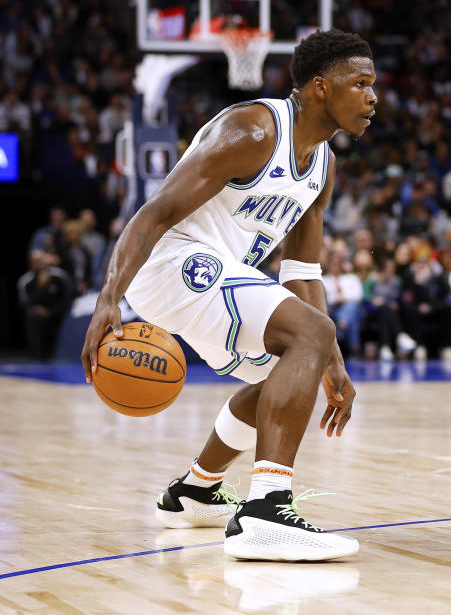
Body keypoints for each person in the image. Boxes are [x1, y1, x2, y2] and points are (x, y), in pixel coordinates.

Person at [80, 29, 378, 562]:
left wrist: (329, 361)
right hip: (173, 262)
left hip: (218, 272)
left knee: (286, 374)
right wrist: (109, 298)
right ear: (319, 89)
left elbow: (304, 270)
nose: (373, 97)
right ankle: (265, 511)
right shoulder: (252, 130)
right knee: (309, 335)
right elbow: (155, 214)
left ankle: (193, 490)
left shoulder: (323, 165)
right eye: (360, 83)